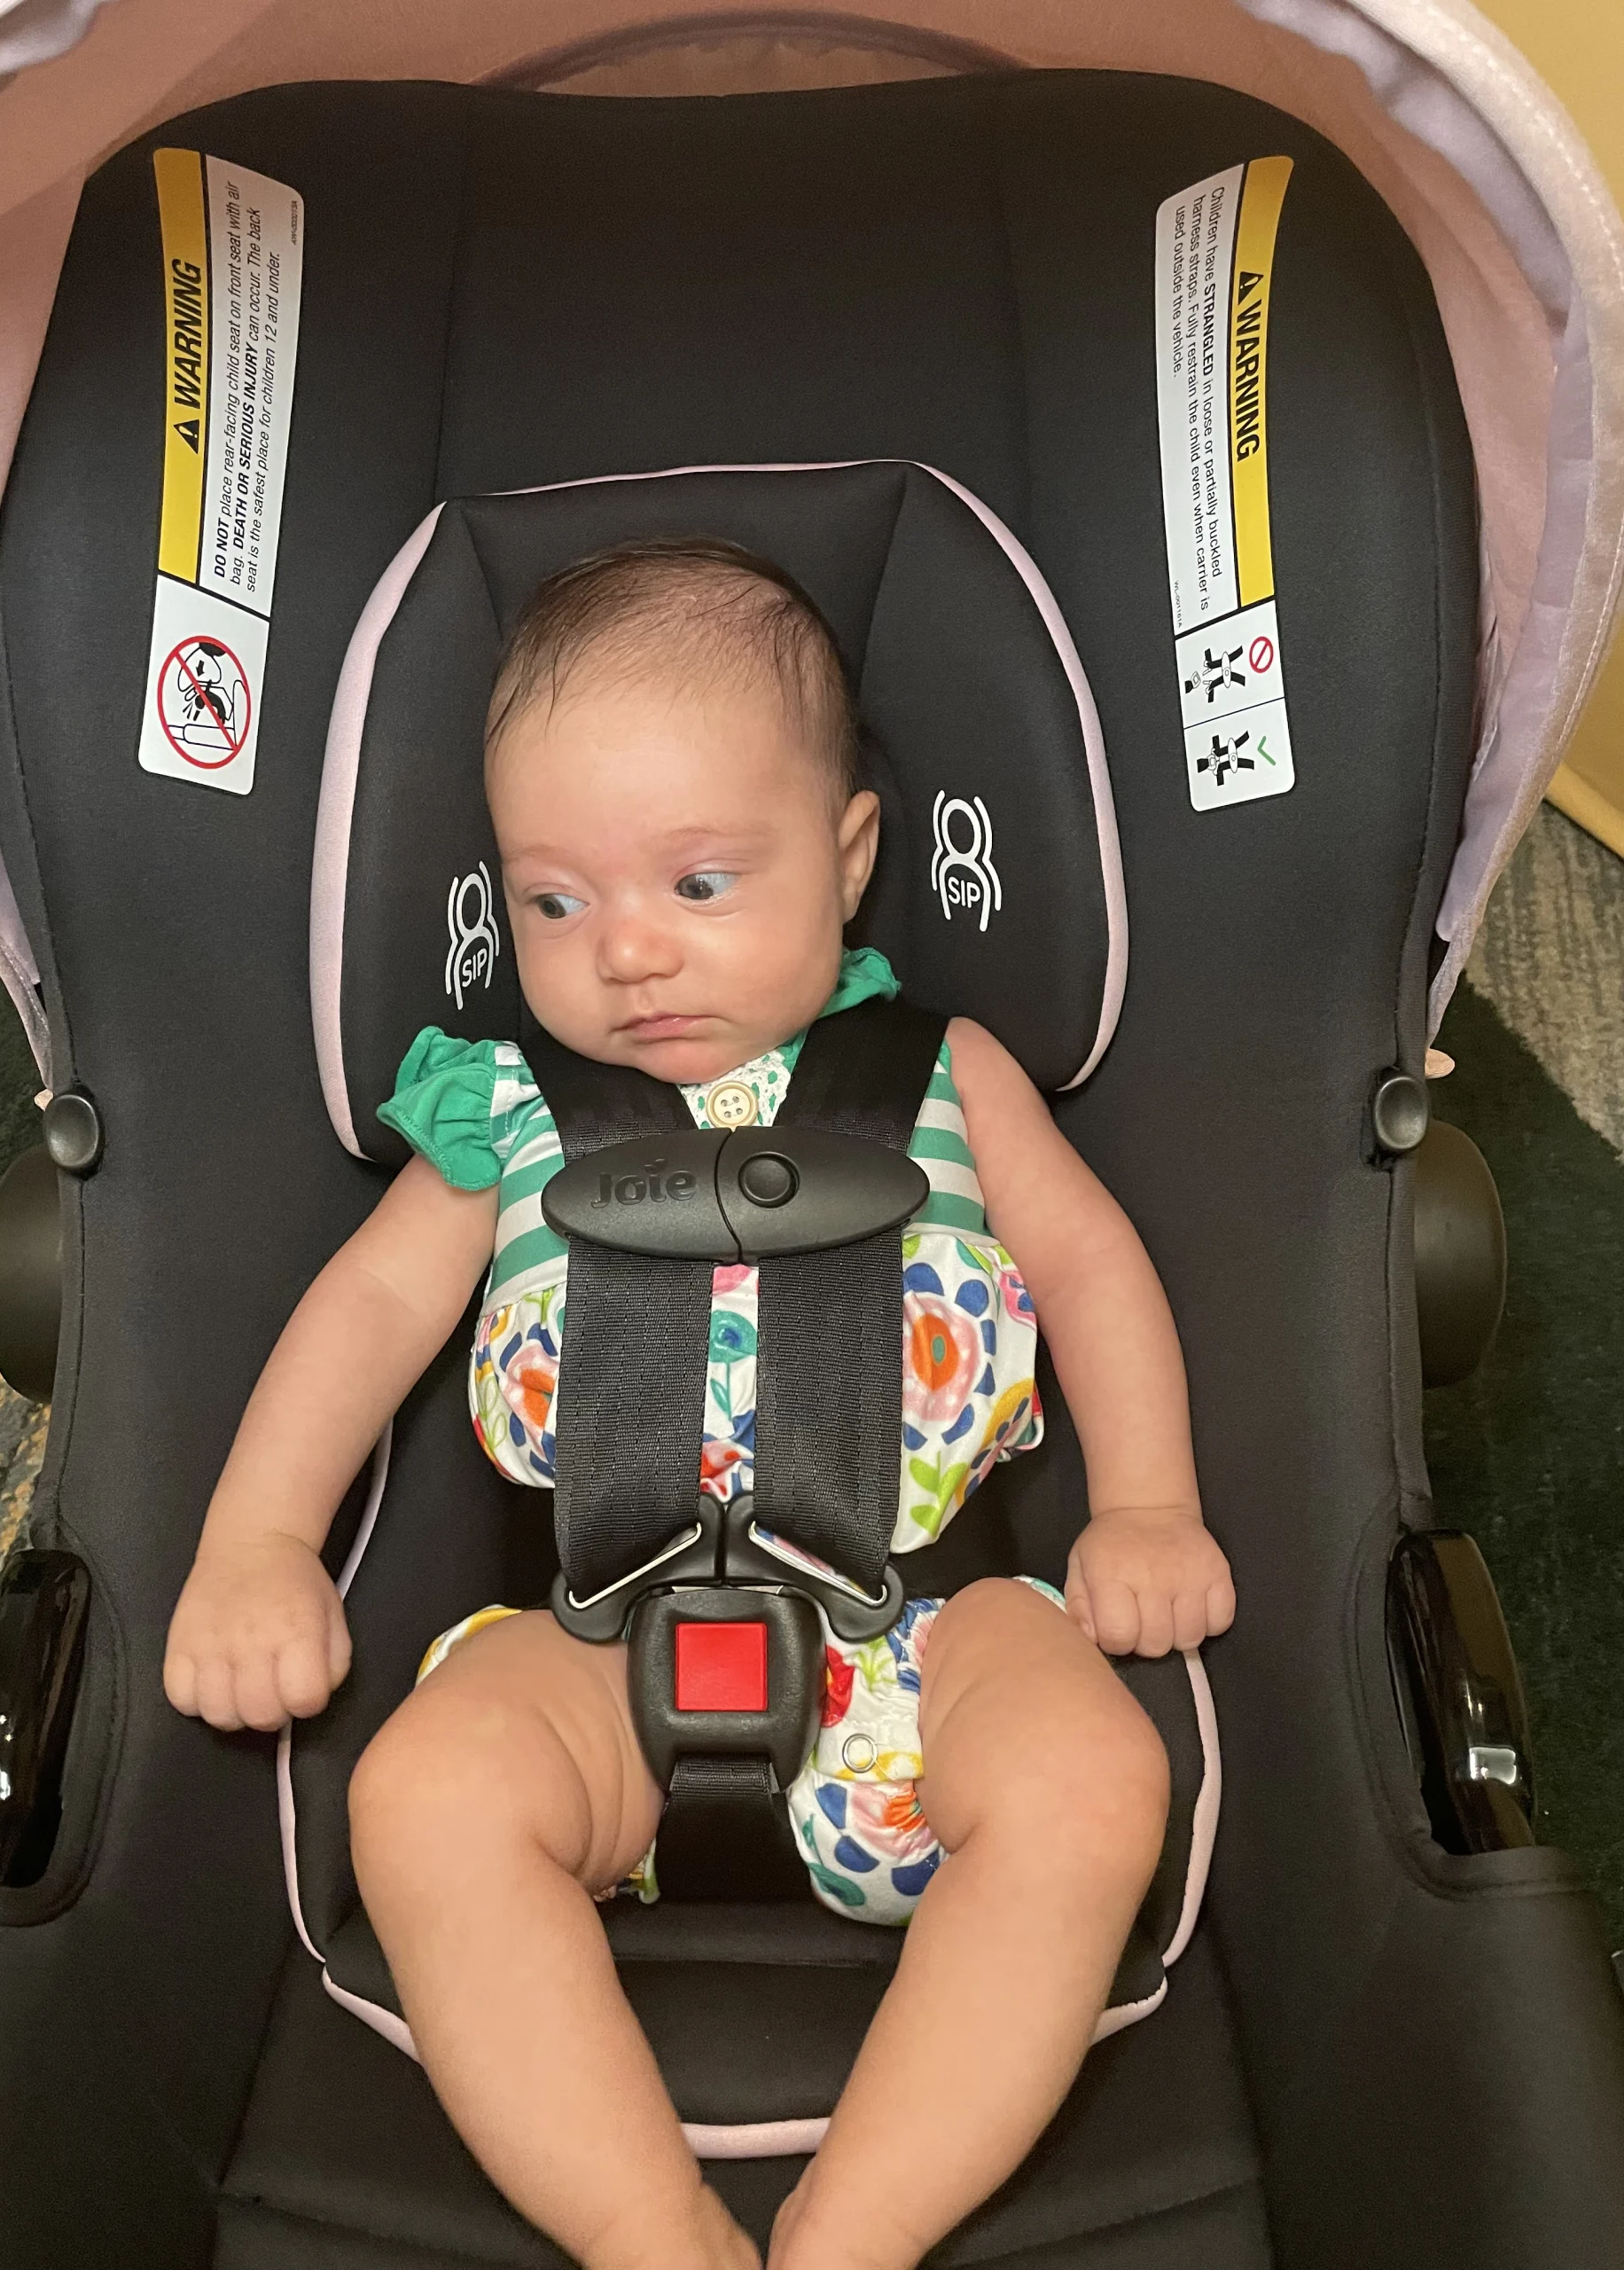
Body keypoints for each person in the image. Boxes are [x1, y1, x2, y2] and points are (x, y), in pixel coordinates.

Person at [164, 537, 1235, 2270]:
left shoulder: (950, 1078)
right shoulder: (500, 1107)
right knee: (421, 1797)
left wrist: (1149, 1506)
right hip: (604, 1644)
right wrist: (258, 1539)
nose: (628, 952)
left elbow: (1096, 1270)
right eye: (554, 903)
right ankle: (647, 2228)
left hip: (925, 1636)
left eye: (702, 880)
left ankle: (856, 2226)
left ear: (850, 857)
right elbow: (364, 1312)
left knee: (1097, 1779)